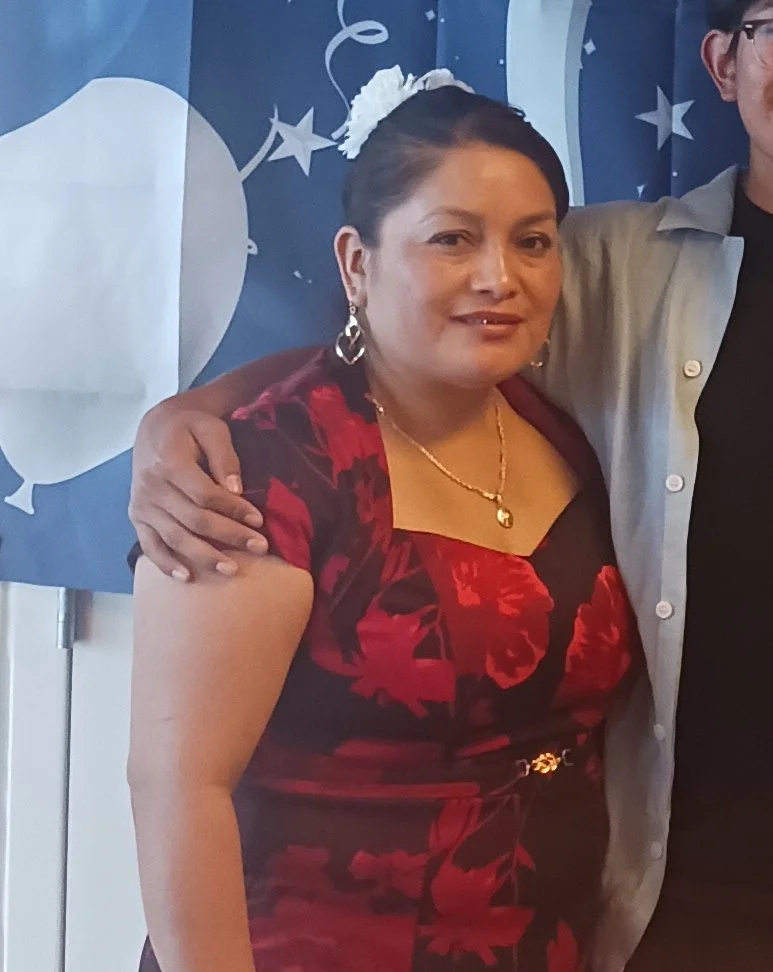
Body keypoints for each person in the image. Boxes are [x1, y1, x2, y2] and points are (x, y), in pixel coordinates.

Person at [129, 2, 773, 968]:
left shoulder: (549, 439)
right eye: (454, 239)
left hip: (535, 928)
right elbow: (402, 347)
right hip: (678, 892)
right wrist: (181, 418)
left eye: (525, 244)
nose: (500, 275)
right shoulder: (623, 267)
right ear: (723, 62)